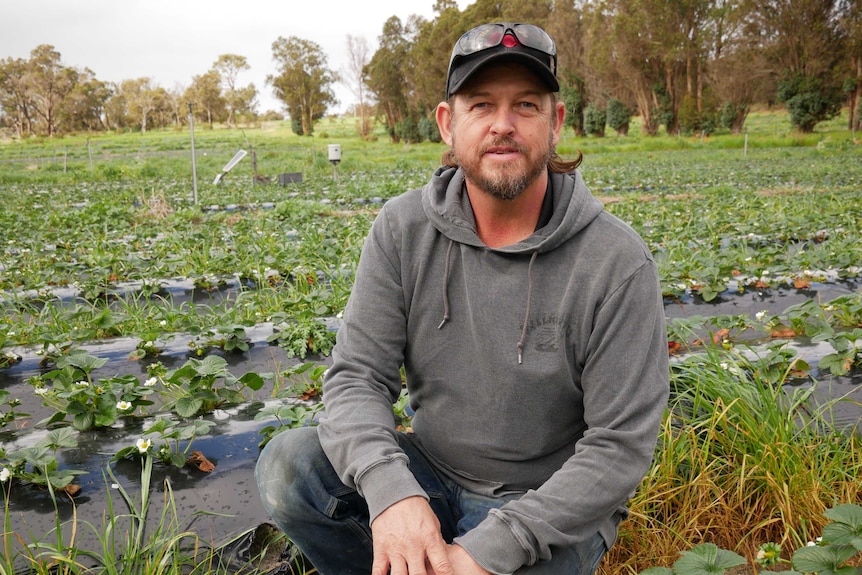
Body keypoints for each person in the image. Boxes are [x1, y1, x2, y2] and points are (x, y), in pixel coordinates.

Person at [255, 21, 670, 575]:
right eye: (481, 105)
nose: (503, 125)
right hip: (431, 472)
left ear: (556, 123)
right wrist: (394, 494)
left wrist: (487, 551)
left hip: (546, 503)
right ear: (449, 124)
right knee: (290, 466)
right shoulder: (402, 230)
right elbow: (356, 376)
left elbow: (618, 447)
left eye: (525, 105)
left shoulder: (616, 261)